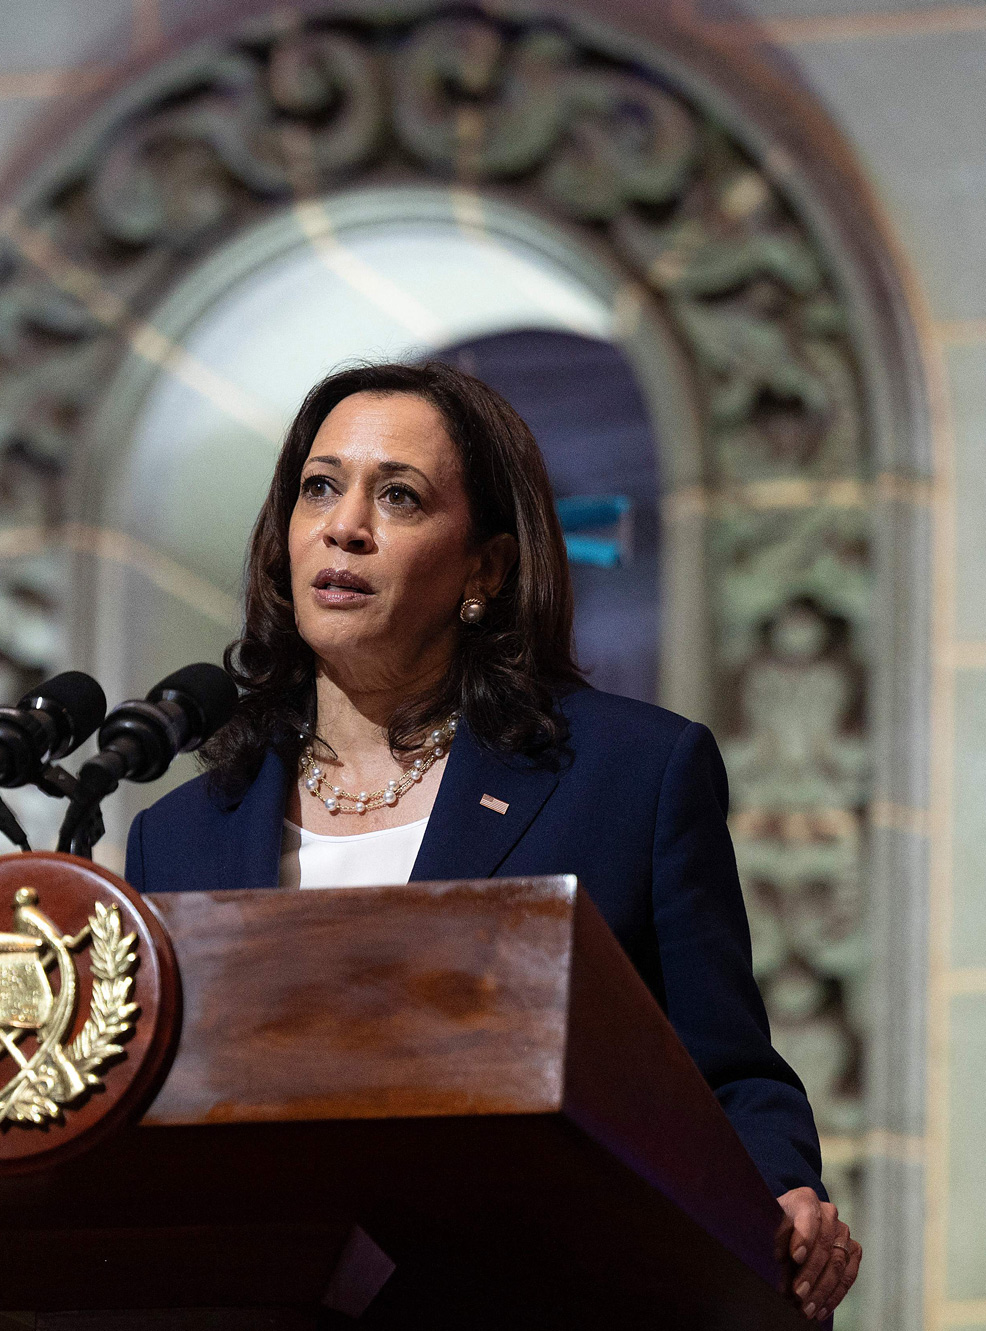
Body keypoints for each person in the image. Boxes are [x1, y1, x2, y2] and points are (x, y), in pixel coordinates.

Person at [122, 361, 860, 1321]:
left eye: (399, 496)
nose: (346, 525)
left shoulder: (626, 775)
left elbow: (729, 1075)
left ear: (485, 570)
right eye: (319, 486)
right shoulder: (180, 836)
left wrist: (780, 1197)